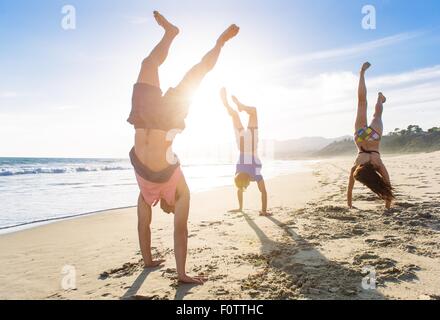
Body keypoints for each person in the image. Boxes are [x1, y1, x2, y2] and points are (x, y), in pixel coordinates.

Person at [127, 11, 239, 284]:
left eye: (168, 208)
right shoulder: (181, 191)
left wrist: (148, 260)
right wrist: (181, 273)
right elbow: (181, 230)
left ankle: (170, 34)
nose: (171, 208)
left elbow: (143, 227)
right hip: (165, 121)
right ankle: (217, 42)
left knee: (147, 63)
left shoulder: (146, 196)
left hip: (144, 119)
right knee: (197, 73)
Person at [347, 62, 394, 210]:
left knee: (377, 114)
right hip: (361, 138)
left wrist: (387, 206)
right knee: (361, 103)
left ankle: (380, 99)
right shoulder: (357, 165)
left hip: (373, 139)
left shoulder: (377, 164)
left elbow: (387, 184)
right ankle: (361, 73)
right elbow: (349, 188)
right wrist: (348, 202)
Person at [220, 88, 270, 216]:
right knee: (236, 115)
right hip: (241, 144)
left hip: (252, 144)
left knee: (253, 112)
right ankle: (229, 105)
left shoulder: (255, 174)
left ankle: (238, 106)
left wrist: (263, 210)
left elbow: (263, 192)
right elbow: (239, 188)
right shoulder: (239, 171)